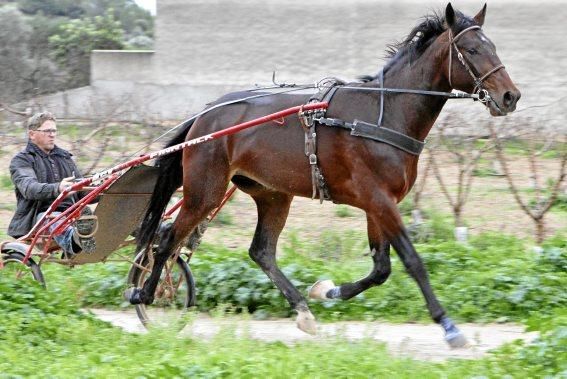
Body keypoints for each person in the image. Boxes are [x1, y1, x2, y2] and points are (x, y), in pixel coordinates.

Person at [8, 111, 95, 257]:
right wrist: (58, 188)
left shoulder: (65, 158)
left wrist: (106, 187)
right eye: (47, 131)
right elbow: (29, 188)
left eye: (54, 130)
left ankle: (133, 228)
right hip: (40, 217)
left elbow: (82, 193)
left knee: (95, 210)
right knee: (53, 218)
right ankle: (75, 241)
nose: (52, 134)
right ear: (32, 134)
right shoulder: (21, 160)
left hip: (71, 213)